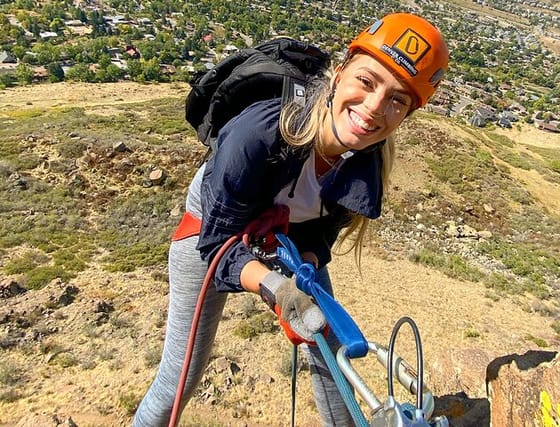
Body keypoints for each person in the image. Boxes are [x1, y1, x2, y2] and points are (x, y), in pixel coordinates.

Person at [133, 12, 448, 427]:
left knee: (334, 357)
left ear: (405, 116)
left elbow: (320, 234)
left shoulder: (365, 164)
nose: (374, 109)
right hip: (213, 230)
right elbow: (215, 243)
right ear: (339, 75)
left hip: (285, 238)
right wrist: (276, 287)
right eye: (366, 82)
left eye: (397, 100)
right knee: (180, 378)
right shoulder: (260, 132)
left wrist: (307, 272)